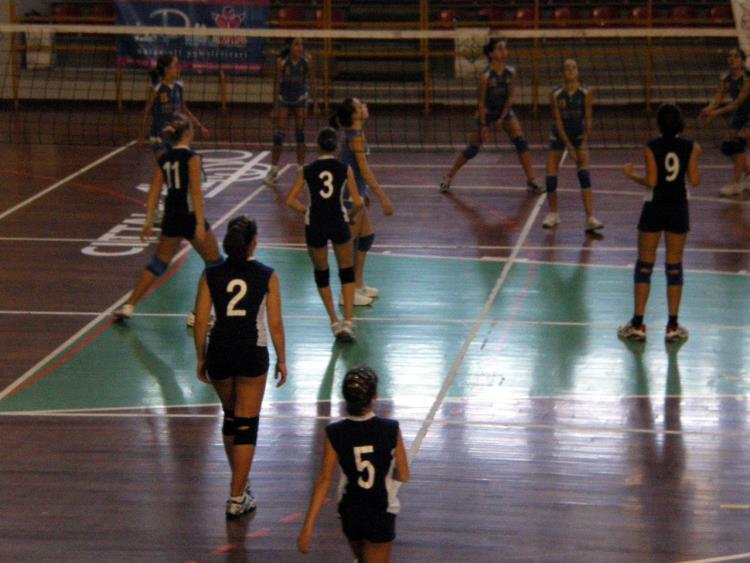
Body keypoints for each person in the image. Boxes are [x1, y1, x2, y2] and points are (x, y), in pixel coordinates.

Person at [193, 215, 287, 519]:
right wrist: (282, 359)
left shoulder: (210, 274)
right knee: (247, 424)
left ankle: (240, 484)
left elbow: (200, 321)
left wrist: (201, 358)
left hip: (219, 351)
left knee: (231, 417)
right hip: (251, 352)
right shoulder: (267, 275)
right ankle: (236, 495)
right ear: (253, 243)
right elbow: (275, 324)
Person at [113, 114, 221, 321]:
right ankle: (198, 315)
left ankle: (129, 305)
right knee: (215, 263)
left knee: (159, 263)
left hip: (171, 216)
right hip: (189, 216)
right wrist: (200, 223)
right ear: (188, 132)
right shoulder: (192, 158)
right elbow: (196, 192)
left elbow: (154, 191)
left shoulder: (164, 158)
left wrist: (148, 220)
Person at [298, 366, 410, 562]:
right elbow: (404, 475)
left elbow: (324, 480)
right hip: (380, 511)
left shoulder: (335, 432)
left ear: (345, 397)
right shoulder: (390, 429)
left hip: (350, 512)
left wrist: (307, 527)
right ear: (374, 396)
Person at [619, 104, 701, 342]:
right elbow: (695, 181)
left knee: (644, 266)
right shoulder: (692, 147)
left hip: (654, 208)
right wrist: (693, 159)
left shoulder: (651, 147)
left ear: (659, 125)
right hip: (678, 209)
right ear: (680, 123)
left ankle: (637, 325)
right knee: (674, 267)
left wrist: (632, 175)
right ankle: (672, 327)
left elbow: (652, 181)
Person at [287, 127, 363, 341]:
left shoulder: (307, 170)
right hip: (338, 221)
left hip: (315, 223)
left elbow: (290, 200)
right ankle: (348, 323)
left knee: (322, 273)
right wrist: (349, 215)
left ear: (317, 146)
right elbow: (358, 203)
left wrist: (306, 211)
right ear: (336, 146)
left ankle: (334, 322)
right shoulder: (344, 168)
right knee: (346, 272)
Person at [439, 38, 542, 194]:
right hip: (486, 113)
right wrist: (483, 125)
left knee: (521, 142)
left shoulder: (511, 72)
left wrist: (501, 118)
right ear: (491, 54)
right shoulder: (486, 76)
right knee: (472, 149)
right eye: (500, 48)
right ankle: (448, 178)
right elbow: (481, 103)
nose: (504, 51)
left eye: (505, 48)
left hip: (504, 112)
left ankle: (531, 180)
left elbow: (510, 98)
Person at [330, 98, 395, 306]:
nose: (365, 106)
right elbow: (365, 171)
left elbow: (352, 168)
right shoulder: (355, 138)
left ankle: (358, 285)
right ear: (354, 115)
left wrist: (363, 192)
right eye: (360, 106)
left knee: (365, 238)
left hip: (355, 193)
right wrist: (383, 198)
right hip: (349, 196)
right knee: (349, 245)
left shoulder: (357, 134)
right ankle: (346, 293)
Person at [542, 59, 604, 233]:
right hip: (559, 134)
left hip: (578, 134)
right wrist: (568, 145)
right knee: (550, 177)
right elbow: (557, 121)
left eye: (573, 68)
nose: (570, 71)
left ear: (577, 71)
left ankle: (590, 218)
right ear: (563, 73)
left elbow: (589, 118)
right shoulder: (555, 94)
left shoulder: (586, 92)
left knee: (584, 174)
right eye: (567, 68)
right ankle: (554, 214)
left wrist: (584, 141)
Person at [265, 37, 317, 186]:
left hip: (301, 98)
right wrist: (275, 107)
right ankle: (273, 169)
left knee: (300, 134)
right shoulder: (281, 62)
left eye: (301, 44)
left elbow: (312, 81)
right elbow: (276, 84)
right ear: (290, 47)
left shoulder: (307, 60)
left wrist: (315, 103)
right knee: (279, 135)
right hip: (284, 99)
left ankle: (301, 169)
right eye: (296, 44)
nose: (300, 47)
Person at [700, 47, 750, 197]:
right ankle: (748, 175)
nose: (732, 58)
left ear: (742, 61)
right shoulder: (725, 77)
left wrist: (714, 114)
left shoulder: (747, 78)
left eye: (736, 56)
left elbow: (735, 103)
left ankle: (736, 183)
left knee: (738, 140)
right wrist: (707, 109)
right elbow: (717, 100)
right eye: (730, 56)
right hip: (742, 112)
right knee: (727, 145)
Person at [138, 54, 208, 160]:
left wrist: (200, 126)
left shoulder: (179, 86)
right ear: (167, 69)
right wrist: (141, 136)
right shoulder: (157, 88)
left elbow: (184, 109)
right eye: (175, 65)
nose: (179, 68)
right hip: (159, 136)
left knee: (185, 161)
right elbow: (146, 112)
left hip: (175, 135)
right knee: (164, 166)